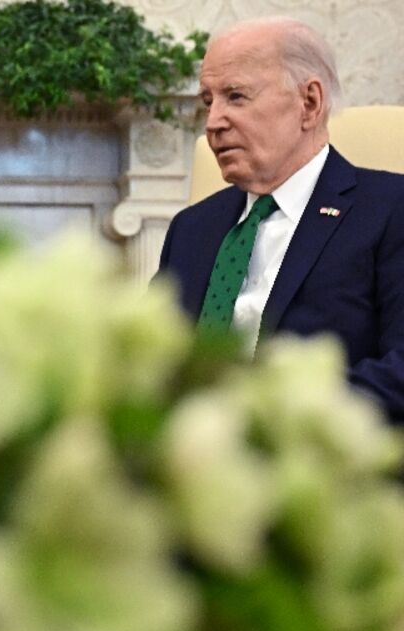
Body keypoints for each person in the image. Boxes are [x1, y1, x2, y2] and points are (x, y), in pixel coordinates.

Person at [159, 16, 404, 421]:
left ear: (309, 103)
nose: (213, 122)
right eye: (208, 100)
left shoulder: (390, 210)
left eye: (236, 97)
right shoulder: (190, 228)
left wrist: (268, 415)